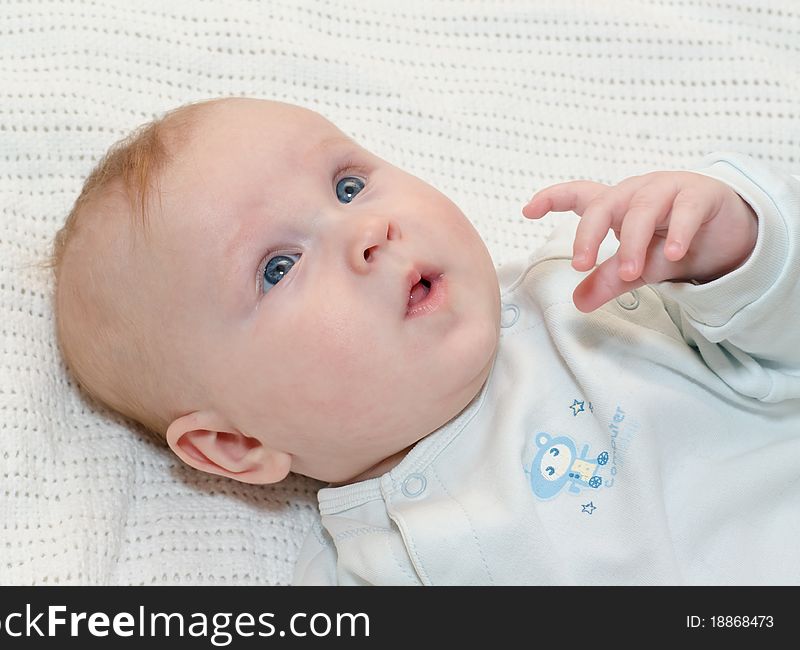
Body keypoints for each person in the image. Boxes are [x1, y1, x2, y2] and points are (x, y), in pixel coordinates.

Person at [48, 97, 800, 585]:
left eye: (347, 186)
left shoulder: (596, 307)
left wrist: (731, 244)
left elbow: (781, 343)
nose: (366, 231)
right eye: (277, 268)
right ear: (236, 448)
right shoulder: (368, 577)